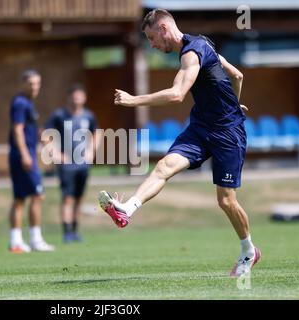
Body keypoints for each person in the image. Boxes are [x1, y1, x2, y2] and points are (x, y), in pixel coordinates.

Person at [98, 9, 260, 277]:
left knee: (226, 201)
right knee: (164, 166)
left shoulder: (193, 52)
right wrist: (233, 103)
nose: (151, 45)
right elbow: (237, 75)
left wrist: (133, 100)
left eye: (151, 38)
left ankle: (248, 251)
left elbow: (177, 95)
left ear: (163, 28)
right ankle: (127, 209)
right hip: (201, 128)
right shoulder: (203, 43)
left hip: (228, 133)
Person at [8, 69, 55, 253]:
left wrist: (44, 140)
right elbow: (17, 130)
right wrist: (25, 154)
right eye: (31, 83)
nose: (35, 87)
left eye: (37, 83)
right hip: (23, 156)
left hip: (23, 154)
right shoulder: (20, 103)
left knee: (20, 198)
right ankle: (35, 239)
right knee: (38, 195)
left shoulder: (27, 103)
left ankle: (16, 241)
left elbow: (30, 128)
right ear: (23, 84)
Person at [45, 84, 99, 243]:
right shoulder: (59, 115)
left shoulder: (89, 116)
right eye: (74, 96)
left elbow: (97, 133)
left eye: (79, 96)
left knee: (79, 198)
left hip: (83, 164)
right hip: (67, 165)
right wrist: (54, 152)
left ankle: (75, 230)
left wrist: (91, 151)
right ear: (69, 98)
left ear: (84, 98)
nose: (77, 99)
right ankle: (66, 232)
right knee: (67, 198)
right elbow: (45, 133)